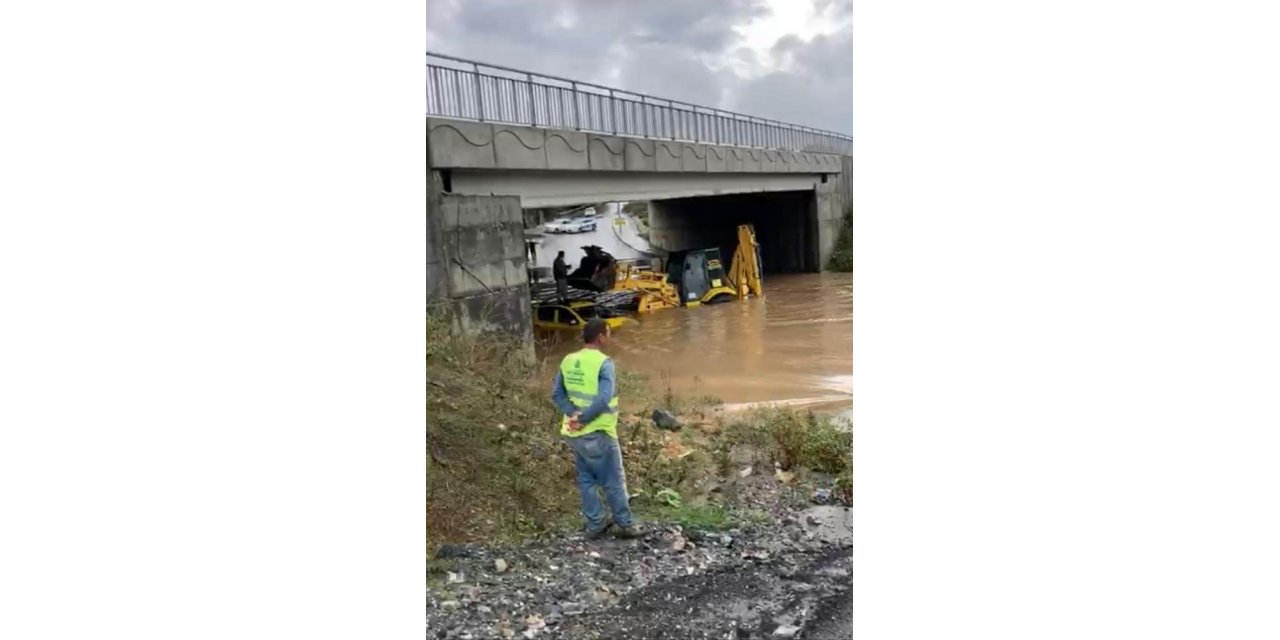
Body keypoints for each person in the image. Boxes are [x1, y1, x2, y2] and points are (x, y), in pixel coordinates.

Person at [551, 318, 641, 539]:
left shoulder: (568, 360)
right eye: (608, 333)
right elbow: (604, 398)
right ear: (601, 337)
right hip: (599, 431)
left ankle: (595, 524)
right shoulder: (604, 363)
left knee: (586, 479)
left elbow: (557, 394)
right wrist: (584, 418)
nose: (609, 338)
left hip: (575, 434)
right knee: (613, 479)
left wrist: (573, 414)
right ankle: (625, 524)